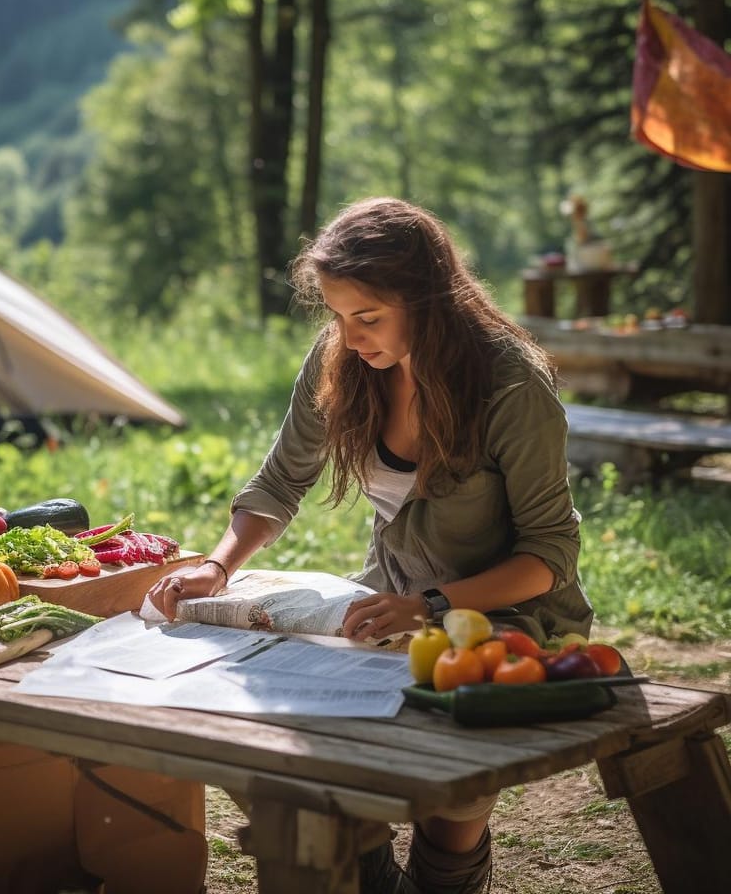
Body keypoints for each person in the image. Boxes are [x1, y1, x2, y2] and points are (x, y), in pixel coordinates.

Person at [146, 197, 593, 894]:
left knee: (449, 804)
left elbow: (548, 557)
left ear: (426, 300)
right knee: (272, 732)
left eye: (368, 317)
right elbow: (277, 485)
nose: (350, 337)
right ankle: (359, 857)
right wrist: (215, 566)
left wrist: (431, 604)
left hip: (506, 618)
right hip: (390, 606)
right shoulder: (342, 362)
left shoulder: (509, 380)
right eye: (337, 316)